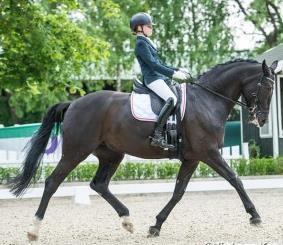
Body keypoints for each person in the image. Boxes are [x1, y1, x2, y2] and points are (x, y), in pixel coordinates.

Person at [130, 12, 190, 150]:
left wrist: (177, 69)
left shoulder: (146, 43)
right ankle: (157, 135)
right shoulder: (140, 44)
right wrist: (173, 74)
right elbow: (153, 65)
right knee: (172, 99)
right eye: (149, 26)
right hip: (152, 79)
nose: (151, 28)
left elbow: (160, 63)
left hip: (159, 77)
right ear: (139, 27)